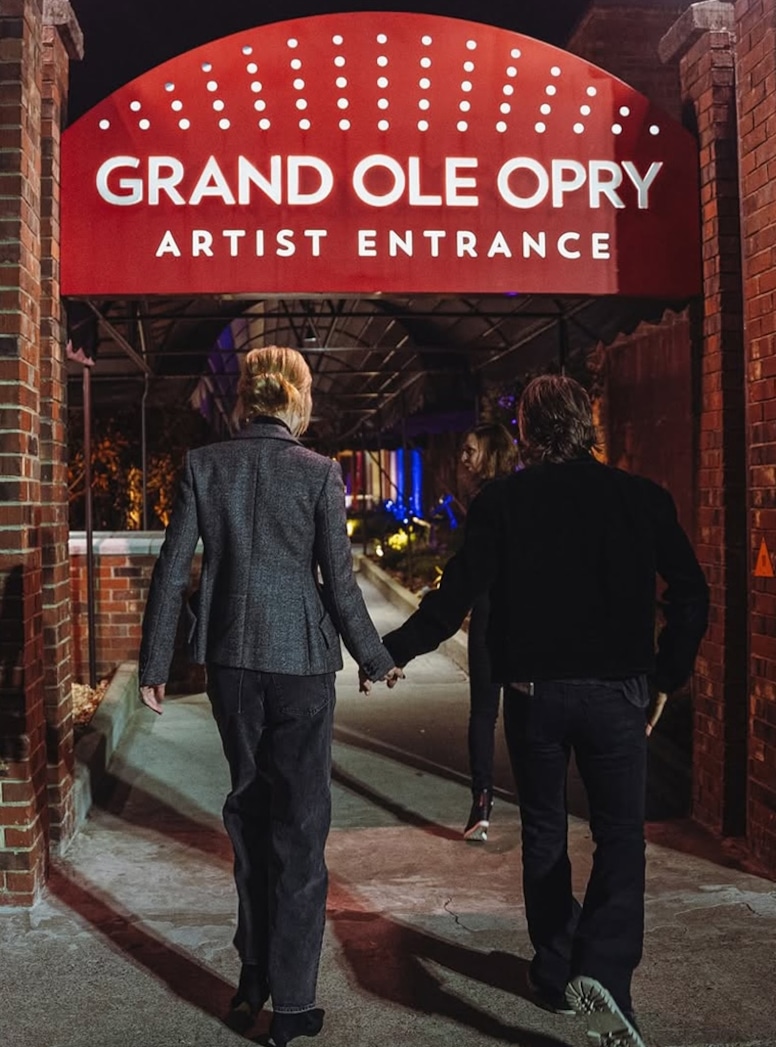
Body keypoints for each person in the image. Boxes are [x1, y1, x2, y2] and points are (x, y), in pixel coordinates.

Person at [382, 374, 708, 1047]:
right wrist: (667, 674)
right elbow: (691, 591)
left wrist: (392, 650)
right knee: (621, 837)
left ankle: (558, 971)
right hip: (618, 693)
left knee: (545, 832)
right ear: (587, 424)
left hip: (535, 696)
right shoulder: (641, 498)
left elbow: (456, 593)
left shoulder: (503, 502)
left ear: (526, 431)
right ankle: (604, 975)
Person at [138, 346, 402, 1047]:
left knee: (249, 817)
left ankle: (252, 977)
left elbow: (171, 569)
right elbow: (339, 583)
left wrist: (154, 662)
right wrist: (374, 657)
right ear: (297, 400)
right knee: (301, 829)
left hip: (231, 664)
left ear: (246, 400)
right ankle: (292, 1004)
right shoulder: (318, 473)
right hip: (302, 667)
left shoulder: (204, 465)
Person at [458, 423, 518, 842]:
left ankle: (482, 801)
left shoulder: (485, 503)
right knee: (515, 710)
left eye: (470, 450)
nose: (463, 458)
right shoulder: (525, 496)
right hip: (519, 616)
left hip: (490, 614)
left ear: (491, 455)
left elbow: (472, 569)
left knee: (484, 711)